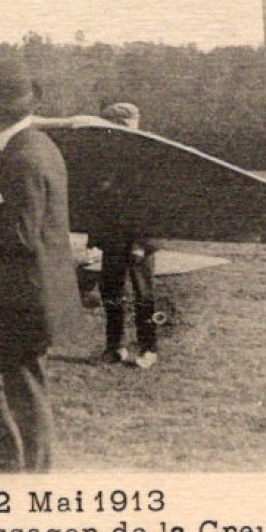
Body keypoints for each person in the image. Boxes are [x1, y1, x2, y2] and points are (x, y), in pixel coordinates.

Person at [0, 60, 76, 472]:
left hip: (21, 296)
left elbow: (21, 233)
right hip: (26, 293)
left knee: (20, 382)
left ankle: (25, 470)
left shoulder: (22, 157)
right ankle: (14, 463)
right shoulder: (36, 146)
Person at [95, 102, 159, 368]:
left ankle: (148, 348)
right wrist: (94, 241)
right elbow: (99, 203)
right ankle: (115, 347)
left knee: (144, 295)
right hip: (113, 237)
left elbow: (156, 206)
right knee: (111, 292)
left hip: (139, 239)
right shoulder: (107, 159)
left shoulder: (150, 157)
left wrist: (142, 243)